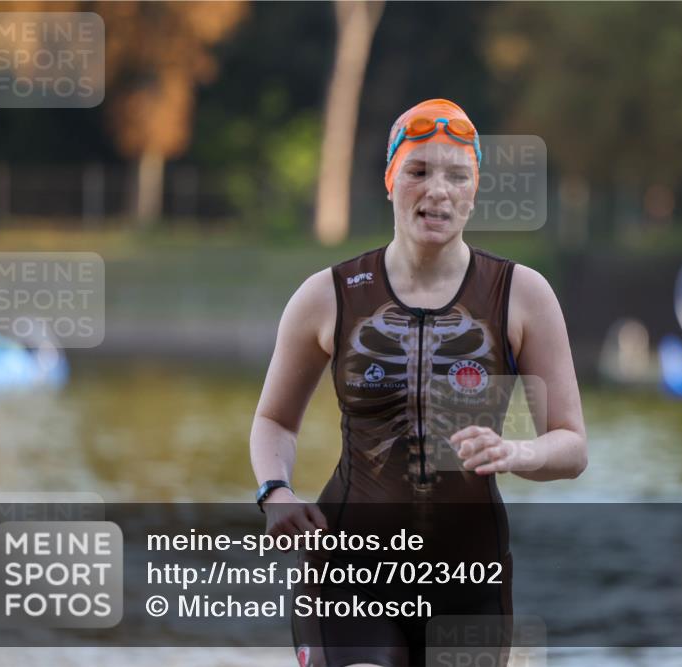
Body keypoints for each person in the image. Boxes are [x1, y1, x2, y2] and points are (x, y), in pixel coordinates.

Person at [249, 98, 587, 667]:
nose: (439, 192)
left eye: (458, 176)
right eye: (419, 172)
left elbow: (572, 445)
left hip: (469, 580)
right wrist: (274, 493)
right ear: (389, 180)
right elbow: (274, 421)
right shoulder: (327, 295)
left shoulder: (522, 294)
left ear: (476, 188)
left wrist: (515, 451)